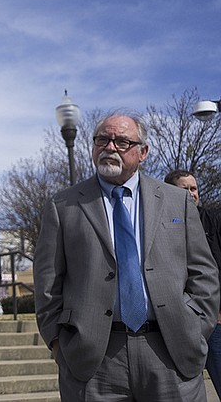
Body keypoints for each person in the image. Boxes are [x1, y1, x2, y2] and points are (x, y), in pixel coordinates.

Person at [34, 113, 219, 401]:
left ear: (143, 152)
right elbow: (47, 283)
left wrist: (196, 328)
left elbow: (204, 273)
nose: (110, 147)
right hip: (93, 360)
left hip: (172, 350)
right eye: (102, 140)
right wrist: (58, 342)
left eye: (122, 141)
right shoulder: (62, 206)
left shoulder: (177, 201)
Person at [164, 169, 221, 397]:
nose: (191, 193)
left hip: (215, 324)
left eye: (194, 188)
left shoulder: (214, 220)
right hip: (177, 327)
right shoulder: (159, 225)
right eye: (184, 188)